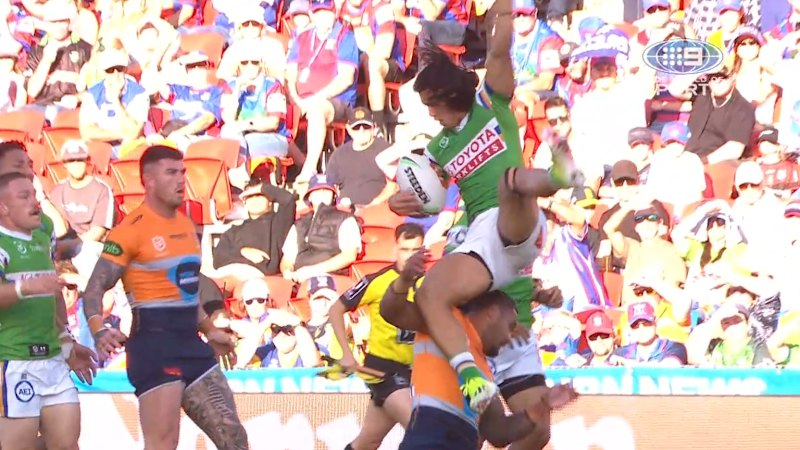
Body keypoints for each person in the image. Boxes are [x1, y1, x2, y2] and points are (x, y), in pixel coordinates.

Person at [387, 0, 582, 413]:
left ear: (447, 96)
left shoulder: (491, 105)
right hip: (487, 240)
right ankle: (470, 375)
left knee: (511, 182)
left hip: (517, 219)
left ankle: (559, 178)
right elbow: (424, 199)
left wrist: (505, 12)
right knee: (432, 293)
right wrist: (396, 201)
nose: (429, 114)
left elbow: (498, 52)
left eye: (431, 104)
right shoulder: (437, 148)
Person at [82, 145, 249, 450]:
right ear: (148, 180)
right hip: (155, 347)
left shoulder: (186, 225)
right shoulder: (129, 230)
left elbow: (185, 291)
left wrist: (209, 329)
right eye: (171, 173)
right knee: (163, 444)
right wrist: (98, 329)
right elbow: (94, 288)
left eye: (183, 172)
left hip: (190, 344)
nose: (181, 179)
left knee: (234, 438)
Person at [380, 288, 579, 449]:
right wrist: (404, 280)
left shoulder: (483, 371)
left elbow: (498, 432)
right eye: (510, 326)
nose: (510, 337)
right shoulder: (446, 323)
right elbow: (392, 311)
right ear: (492, 313)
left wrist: (543, 405)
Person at [0, 172, 97, 450]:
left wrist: (67, 343)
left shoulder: (43, 234)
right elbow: (33, 288)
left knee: (67, 444)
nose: (35, 202)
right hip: (14, 361)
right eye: (24, 197)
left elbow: (52, 295)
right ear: (3, 207)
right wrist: (26, 288)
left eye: (35, 195)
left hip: (53, 360)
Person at [328, 223, 425, 450]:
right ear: (394, 249)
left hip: (418, 371)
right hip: (383, 370)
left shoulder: (432, 283)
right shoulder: (377, 280)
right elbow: (336, 309)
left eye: (415, 250)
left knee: (368, 442)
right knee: (421, 430)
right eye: (404, 249)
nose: (410, 256)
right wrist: (346, 354)